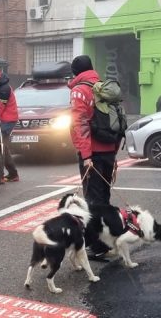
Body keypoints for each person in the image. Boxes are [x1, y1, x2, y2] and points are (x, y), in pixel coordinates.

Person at [68, 55, 119, 260]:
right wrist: (114, 153)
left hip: (93, 154)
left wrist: (86, 155)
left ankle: (96, 246)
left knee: (92, 201)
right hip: (109, 151)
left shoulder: (80, 91)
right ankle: (105, 240)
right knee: (104, 198)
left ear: (75, 73)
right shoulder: (102, 86)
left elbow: (79, 124)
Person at [0, 68, 19, 183]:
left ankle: (1, 176)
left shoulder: (4, 89)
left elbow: (0, 107)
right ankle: (13, 174)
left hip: (8, 120)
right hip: (6, 119)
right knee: (4, 147)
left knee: (1, 147)